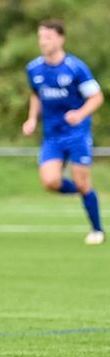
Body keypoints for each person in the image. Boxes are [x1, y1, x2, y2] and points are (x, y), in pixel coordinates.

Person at [23, 19, 104, 245]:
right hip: (52, 135)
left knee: (81, 181)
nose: (43, 42)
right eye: (41, 37)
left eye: (48, 37)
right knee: (50, 181)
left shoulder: (75, 68)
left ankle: (97, 230)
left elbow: (96, 97)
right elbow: (36, 95)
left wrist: (80, 113)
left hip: (77, 133)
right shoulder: (34, 68)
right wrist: (31, 119)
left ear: (60, 38)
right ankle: (85, 193)